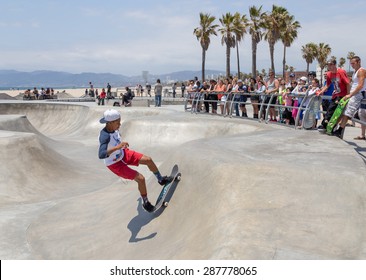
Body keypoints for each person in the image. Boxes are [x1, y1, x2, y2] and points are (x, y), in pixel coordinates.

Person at [98, 109, 172, 212]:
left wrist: (120, 146)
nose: (119, 125)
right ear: (110, 123)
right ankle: (145, 202)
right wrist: (118, 147)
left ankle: (160, 179)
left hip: (123, 154)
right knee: (141, 179)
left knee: (148, 160)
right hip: (115, 164)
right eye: (117, 123)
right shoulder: (104, 136)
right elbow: (101, 154)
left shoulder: (114, 129)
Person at [333, 56, 366, 138]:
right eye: (351, 63)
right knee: (342, 109)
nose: (352, 65)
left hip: (358, 93)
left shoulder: (361, 71)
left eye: (353, 63)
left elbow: (360, 85)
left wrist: (350, 94)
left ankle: (340, 130)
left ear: (359, 62)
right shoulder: (355, 71)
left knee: (348, 112)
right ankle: (334, 127)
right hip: (353, 93)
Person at [316, 59, 350, 132]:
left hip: (342, 94)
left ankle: (324, 125)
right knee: (330, 110)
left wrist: (348, 95)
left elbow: (347, 83)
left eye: (331, 64)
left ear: (335, 65)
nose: (329, 66)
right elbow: (327, 85)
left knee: (333, 109)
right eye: (328, 65)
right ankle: (329, 126)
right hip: (335, 94)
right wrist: (321, 91)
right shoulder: (329, 74)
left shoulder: (341, 72)